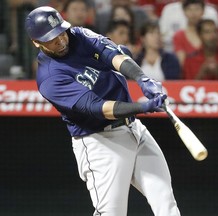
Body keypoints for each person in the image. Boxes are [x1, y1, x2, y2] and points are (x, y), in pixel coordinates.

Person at [25, 6, 181, 216]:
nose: (61, 40)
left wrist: (143, 79)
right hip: (100, 141)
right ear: (37, 42)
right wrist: (142, 106)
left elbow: (113, 55)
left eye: (61, 33)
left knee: (166, 203)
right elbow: (99, 108)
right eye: (52, 38)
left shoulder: (77, 35)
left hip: (135, 129)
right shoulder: (50, 78)